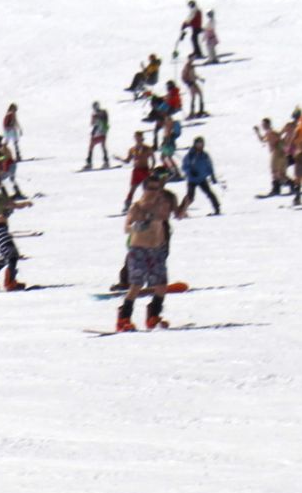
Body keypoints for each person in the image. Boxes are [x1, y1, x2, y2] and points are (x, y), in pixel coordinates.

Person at [116, 169, 176, 330]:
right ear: (144, 189)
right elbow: (127, 227)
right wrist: (136, 226)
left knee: (161, 285)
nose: (154, 192)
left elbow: (170, 215)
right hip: (139, 249)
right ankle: (123, 318)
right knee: (136, 285)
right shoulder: (137, 207)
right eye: (150, 188)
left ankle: (153, 315)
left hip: (157, 249)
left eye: (156, 188)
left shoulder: (161, 205)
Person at [180, 136, 220, 215]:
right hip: (192, 179)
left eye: (201, 144)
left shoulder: (204, 155)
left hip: (202, 178)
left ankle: (217, 208)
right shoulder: (190, 155)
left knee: (209, 193)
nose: (200, 145)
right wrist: (190, 172)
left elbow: (209, 166)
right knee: (190, 197)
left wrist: (212, 175)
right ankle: (181, 211)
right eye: (198, 144)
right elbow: (184, 166)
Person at [85, 102, 111, 169]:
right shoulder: (96, 114)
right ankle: (104, 161)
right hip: (99, 132)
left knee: (98, 146)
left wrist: (96, 117)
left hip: (101, 132)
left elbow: (104, 120)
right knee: (98, 146)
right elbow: (93, 123)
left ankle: (91, 162)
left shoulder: (102, 112)